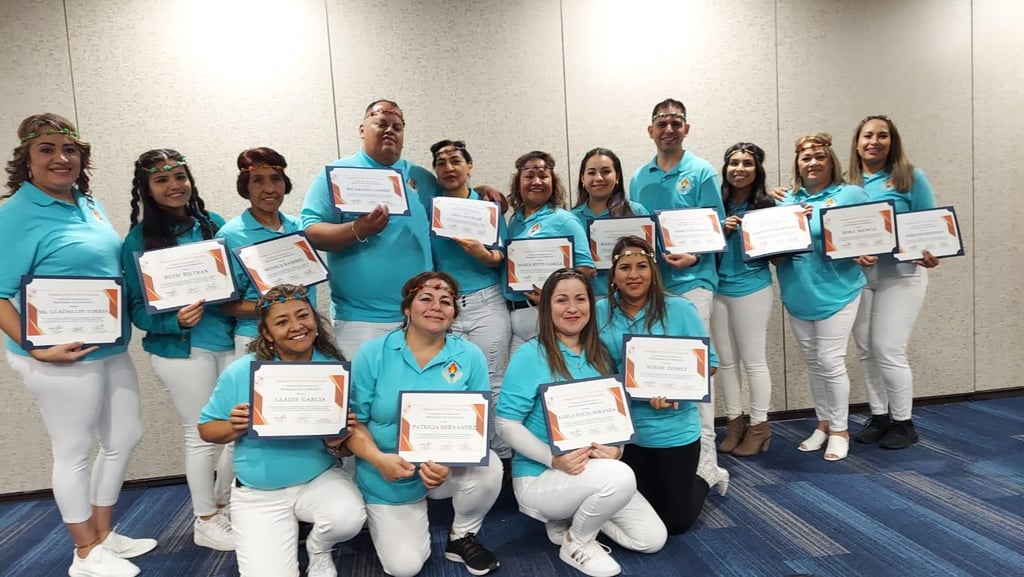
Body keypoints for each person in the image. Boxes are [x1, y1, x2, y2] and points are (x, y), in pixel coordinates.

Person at [0, 113, 155, 577]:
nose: (60, 158)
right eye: (46, 149)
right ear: (26, 160)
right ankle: (84, 553)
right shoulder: (15, 214)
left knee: (124, 435)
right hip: (56, 354)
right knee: (72, 449)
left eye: (69, 150)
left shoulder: (86, 203)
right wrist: (35, 346)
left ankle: (103, 534)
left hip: (106, 346)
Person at [497, 268, 667, 577]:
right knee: (620, 478)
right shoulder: (531, 354)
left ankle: (571, 517)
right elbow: (506, 424)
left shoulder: (599, 354)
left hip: (594, 471)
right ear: (547, 306)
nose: (572, 309)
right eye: (561, 300)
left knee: (650, 540)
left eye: (580, 299)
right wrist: (554, 459)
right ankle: (577, 541)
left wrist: (616, 450)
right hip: (540, 476)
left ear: (592, 304)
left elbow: (616, 418)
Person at [198, 284, 366, 577]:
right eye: (282, 322)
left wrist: (338, 442)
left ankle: (319, 548)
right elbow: (206, 430)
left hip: (317, 478)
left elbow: (345, 447)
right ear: (266, 333)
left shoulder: (333, 372)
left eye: (303, 316)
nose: (296, 326)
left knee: (348, 518)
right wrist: (233, 426)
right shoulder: (243, 372)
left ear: (315, 322)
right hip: (258, 492)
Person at [346, 272, 503, 577]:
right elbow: (354, 423)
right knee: (404, 567)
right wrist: (380, 460)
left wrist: (448, 461)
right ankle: (376, 513)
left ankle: (462, 536)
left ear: (454, 313)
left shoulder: (469, 355)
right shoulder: (373, 353)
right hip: (390, 471)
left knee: (491, 467)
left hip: (443, 467)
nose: (436, 307)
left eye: (446, 302)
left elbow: (477, 425)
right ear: (407, 308)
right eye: (426, 299)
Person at [122, 149, 235, 551]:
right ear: (147, 189)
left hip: (228, 340)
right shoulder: (138, 240)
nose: (174, 186)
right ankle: (204, 520)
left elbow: (236, 280)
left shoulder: (214, 224)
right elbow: (135, 307)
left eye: (180, 177)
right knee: (202, 436)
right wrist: (172, 321)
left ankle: (225, 504)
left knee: (240, 431)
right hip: (180, 351)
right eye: (162, 180)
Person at [596, 236, 724, 534]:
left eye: (642, 266)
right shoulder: (600, 312)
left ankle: (705, 475)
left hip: (673, 430)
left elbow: (712, 364)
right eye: (624, 267)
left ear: (654, 271)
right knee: (632, 513)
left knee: (674, 523)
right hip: (625, 435)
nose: (633, 274)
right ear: (613, 275)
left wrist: (679, 388)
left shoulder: (680, 309)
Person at [627, 98, 726, 470]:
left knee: (695, 369)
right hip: (651, 288)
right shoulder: (639, 177)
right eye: (661, 123)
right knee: (660, 369)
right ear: (650, 130)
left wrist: (695, 256)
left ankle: (707, 461)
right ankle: (666, 450)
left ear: (686, 128)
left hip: (693, 282)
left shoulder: (701, 172)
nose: (669, 128)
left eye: (676, 122)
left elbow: (716, 227)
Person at [300, 100, 436, 359]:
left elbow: (453, 206)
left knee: (413, 395)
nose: (389, 131)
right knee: (361, 398)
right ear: (362, 129)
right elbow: (311, 232)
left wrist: (483, 192)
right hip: (359, 320)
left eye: (397, 126)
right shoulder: (339, 174)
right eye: (381, 123)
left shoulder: (421, 177)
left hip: (419, 315)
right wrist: (358, 229)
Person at [773, 134, 869, 462]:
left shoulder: (850, 193)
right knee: (813, 361)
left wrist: (866, 249)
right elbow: (772, 248)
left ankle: (841, 429)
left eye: (819, 157)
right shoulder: (784, 200)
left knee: (830, 360)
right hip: (798, 290)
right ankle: (823, 423)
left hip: (838, 289)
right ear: (797, 165)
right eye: (805, 158)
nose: (812, 163)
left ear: (831, 161)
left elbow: (869, 232)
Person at [847, 115, 939, 449]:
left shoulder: (910, 177)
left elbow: (930, 228)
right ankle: (879, 416)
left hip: (901, 276)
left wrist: (931, 251)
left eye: (882, 135)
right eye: (868, 135)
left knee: (888, 349)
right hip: (859, 278)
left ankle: (903, 423)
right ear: (857, 143)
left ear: (892, 141)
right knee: (867, 350)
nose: (874, 141)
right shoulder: (846, 184)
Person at [429, 139, 513, 463]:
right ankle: (463, 453)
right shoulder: (431, 208)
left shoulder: (489, 208)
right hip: (444, 308)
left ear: (469, 166)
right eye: (441, 163)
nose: (449, 168)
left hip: (486, 303)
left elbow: (502, 259)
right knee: (451, 381)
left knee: (493, 381)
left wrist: (483, 254)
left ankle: (502, 457)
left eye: (455, 161)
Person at [217, 147, 315, 358]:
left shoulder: (300, 229)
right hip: (256, 338)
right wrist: (277, 309)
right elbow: (225, 305)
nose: (269, 188)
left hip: (304, 335)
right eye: (258, 181)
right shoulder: (231, 235)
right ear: (246, 187)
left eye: (276, 179)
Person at [711, 143, 776, 456]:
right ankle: (734, 422)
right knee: (725, 362)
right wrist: (718, 230)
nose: (739, 169)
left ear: (757, 169)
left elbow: (783, 248)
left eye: (747, 164)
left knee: (753, 361)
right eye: (733, 163)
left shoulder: (768, 205)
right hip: (718, 289)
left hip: (753, 287)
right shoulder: (715, 205)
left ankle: (760, 426)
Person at [505, 151, 595, 354]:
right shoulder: (515, 220)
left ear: (552, 182)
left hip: (546, 315)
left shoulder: (564, 220)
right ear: (518, 183)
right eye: (528, 176)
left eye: (543, 176)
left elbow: (587, 269)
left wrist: (552, 295)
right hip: (514, 316)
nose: (536, 181)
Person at [570, 147, 649, 297]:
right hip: (584, 302)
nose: (598, 178)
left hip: (630, 299)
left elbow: (651, 261)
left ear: (617, 176)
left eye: (606, 171)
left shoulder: (636, 213)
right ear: (582, 179)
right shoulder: (570, 219)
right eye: (591, 172)